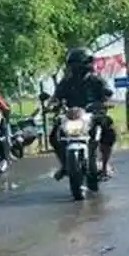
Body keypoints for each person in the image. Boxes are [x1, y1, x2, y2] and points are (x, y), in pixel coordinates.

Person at [48, 47, 116, 179]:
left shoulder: (96, 80)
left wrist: (105, 103)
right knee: (54, 135)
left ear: (88, 63)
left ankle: (104, 166)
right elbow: (56, 97)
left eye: (79, 63)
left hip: (92, 115)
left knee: (109, 130)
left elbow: (108, 95)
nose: (77, 67)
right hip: (71, 117)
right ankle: (65, 164)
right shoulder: (66, 82)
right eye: (74, 63)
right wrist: (52, 105)